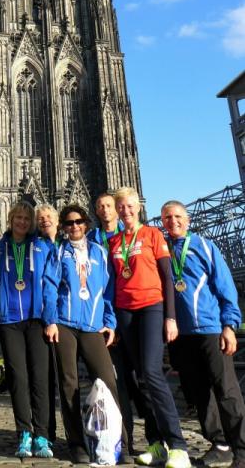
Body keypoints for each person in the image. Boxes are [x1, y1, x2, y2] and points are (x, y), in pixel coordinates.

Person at [43, 204, 131, 465]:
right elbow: (50, 286)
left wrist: (110, 322)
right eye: (69, 223)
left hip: (92, 326)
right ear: (63, 227)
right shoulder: (58, 251)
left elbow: (108, 291)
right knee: (68, 384)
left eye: (79, 221)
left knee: (108, 381)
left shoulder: (99, 252)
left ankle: (120, 443)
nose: (74, 226)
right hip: (65, 324)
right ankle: (77, 443)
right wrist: (51, 320)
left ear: (86, 224)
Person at [109, 187, 190, 468]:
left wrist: (171, 317)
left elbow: (167, 277)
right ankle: (156, 444)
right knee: (140, 377)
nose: (126, 211)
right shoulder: (115, 241)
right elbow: (114, 281)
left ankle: (178, 445)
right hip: (125, 310)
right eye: (121, 206)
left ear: (139, 207)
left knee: (152, 373)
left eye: (130, 205)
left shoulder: (153, 234)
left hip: (151, 306)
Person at [161, 200, 245, 468]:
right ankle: (219, 444)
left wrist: (229, 325)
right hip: (181, 334)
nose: (173, 221)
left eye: (177, 216)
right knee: (199, 392)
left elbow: (225, 287)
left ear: (187, 220)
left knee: (226, 390)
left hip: (210, 328)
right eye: (167, 217)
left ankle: (242, 448)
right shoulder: (161, 249)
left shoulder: (204, 246)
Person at [0, 202, 53, 458]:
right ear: (10, 219)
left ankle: (42, 435)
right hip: (9, 320)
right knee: (18, 378)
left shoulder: (41, 246)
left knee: (40, 378)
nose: (22, 222)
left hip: (36, 319)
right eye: (18, 217)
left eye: (27, 218)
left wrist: (50, 318)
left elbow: (50, 281)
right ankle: (24, 433)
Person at [89, 193, 143, 454]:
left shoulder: (135, 236)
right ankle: (123, 440)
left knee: (142, 380)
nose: (105, 210)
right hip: (104, 319)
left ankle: (158, 439)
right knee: (113, 383)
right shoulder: (91, 239)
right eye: (100, 206)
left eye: (109, 205)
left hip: (132, 314)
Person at [35, 203, 61, 445]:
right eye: (40, 218)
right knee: (44, 377)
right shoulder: (35, 245)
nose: (45, 221)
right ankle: (45, 431)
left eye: (49, 217)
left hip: (71, 317)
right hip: (44, 318)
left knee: (67, 379)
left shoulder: (69, 243)